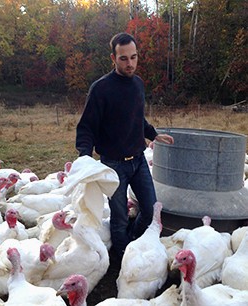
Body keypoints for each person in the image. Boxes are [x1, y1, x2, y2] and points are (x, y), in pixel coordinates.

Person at [76, 32, 174, 259]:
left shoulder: (138, 84)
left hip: (139, 161)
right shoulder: (101, 88)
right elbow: (87, 126)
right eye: (124, 58)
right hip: (113, 165)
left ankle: (132, 246)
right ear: (113, 58)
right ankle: (121, 260)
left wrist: (153, 134)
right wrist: (84, 155)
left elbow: (137, 118)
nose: (130, 63)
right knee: (119, 218)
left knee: (149, 211)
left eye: (134, 57)